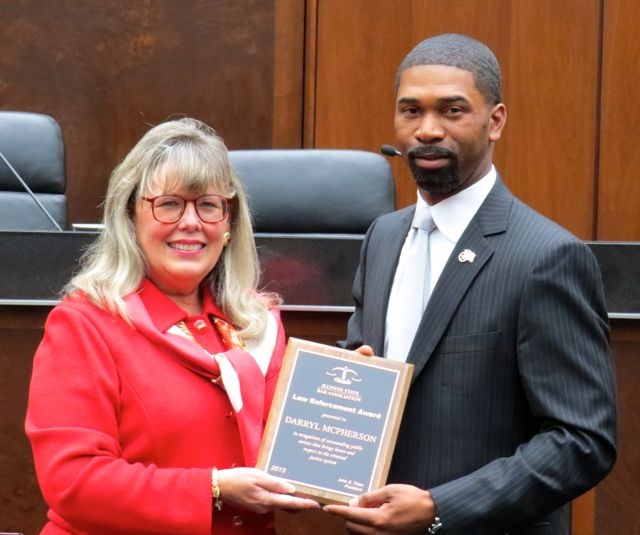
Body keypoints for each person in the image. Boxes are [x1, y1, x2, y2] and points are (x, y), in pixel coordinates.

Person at [325, 34, 617, 534]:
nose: (428, 130)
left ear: (495, 120)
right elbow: (365, 368)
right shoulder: (383, 238)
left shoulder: (547, 257)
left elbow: (582, 440)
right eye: (411, 111)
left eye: (452, 111)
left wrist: (441, 507)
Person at [25, 117, 319, 534]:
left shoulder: (257, 324)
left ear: (229, 224)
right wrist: (214, 488)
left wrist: (350, 392)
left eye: (209, 205)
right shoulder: (86, 324)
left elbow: (293, 450)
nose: (191, 222)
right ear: (130, 216)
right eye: (168, 204)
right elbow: (73, 483)